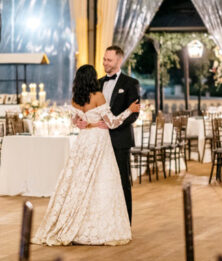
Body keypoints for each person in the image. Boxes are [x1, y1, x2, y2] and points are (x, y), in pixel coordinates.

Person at [33, 64, 140, 246]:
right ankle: (100, 227)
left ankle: (74, 221)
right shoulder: (98, 96)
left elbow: (75, 120)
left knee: (79, 180)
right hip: (99, 141)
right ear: (92, 78)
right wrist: (130, 110)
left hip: (83, 142)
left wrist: (82, 123)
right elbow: (112, 123)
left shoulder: (76, 99)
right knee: (102, 180)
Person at [90, 46, 141, 222]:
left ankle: (125, 221)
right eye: (104, 59)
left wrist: (113, 124)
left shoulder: (130, 83)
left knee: (122, 181)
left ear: (119, 61)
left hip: (120, 140)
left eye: (109, 60)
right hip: (99, 140)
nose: (105, 63)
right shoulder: (97, 83)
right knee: (101, 181)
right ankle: (104, 220)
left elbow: (134, 114)